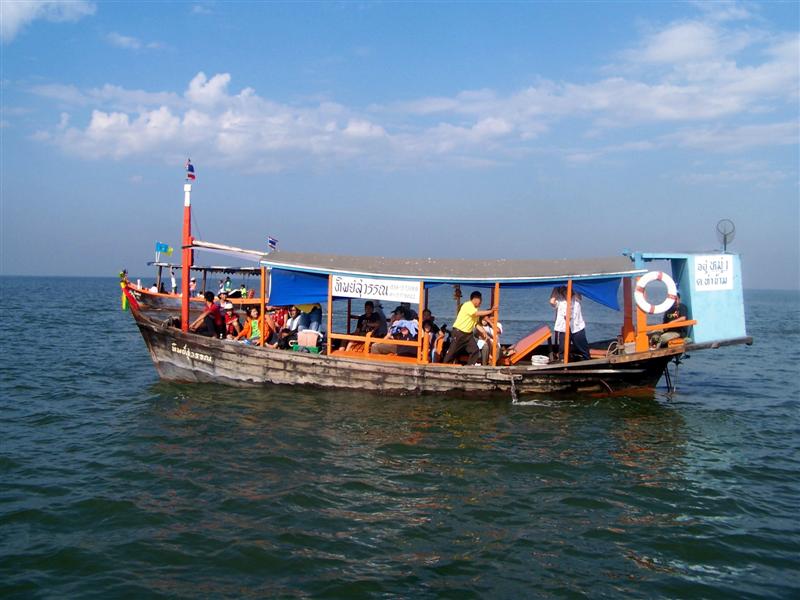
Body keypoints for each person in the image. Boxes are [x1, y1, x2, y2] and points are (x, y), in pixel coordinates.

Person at [442, 291, 497, 365]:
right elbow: (476, 313)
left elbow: (476, 324)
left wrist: (484, 332)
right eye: (480, 300)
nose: (481, 302)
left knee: (475, 350)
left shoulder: (474, 309)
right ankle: (444, 365)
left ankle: (469, 366)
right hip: (459, 333)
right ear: (476, 299)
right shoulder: (467, 305)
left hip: (468, 335)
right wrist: (491, 311)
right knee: (452, 352)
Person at [549, 286, 590, 361]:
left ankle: (586, 360)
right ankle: (563, 361)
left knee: (582, 347)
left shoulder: (576, 298)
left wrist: (572, 288)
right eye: (563, 290)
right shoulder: (560, 300)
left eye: (567, 290)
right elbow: (552, 301)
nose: (566, 292)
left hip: (577, 327)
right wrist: (556, 288)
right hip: (564, 328)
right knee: (563, 349)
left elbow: (578, 292)